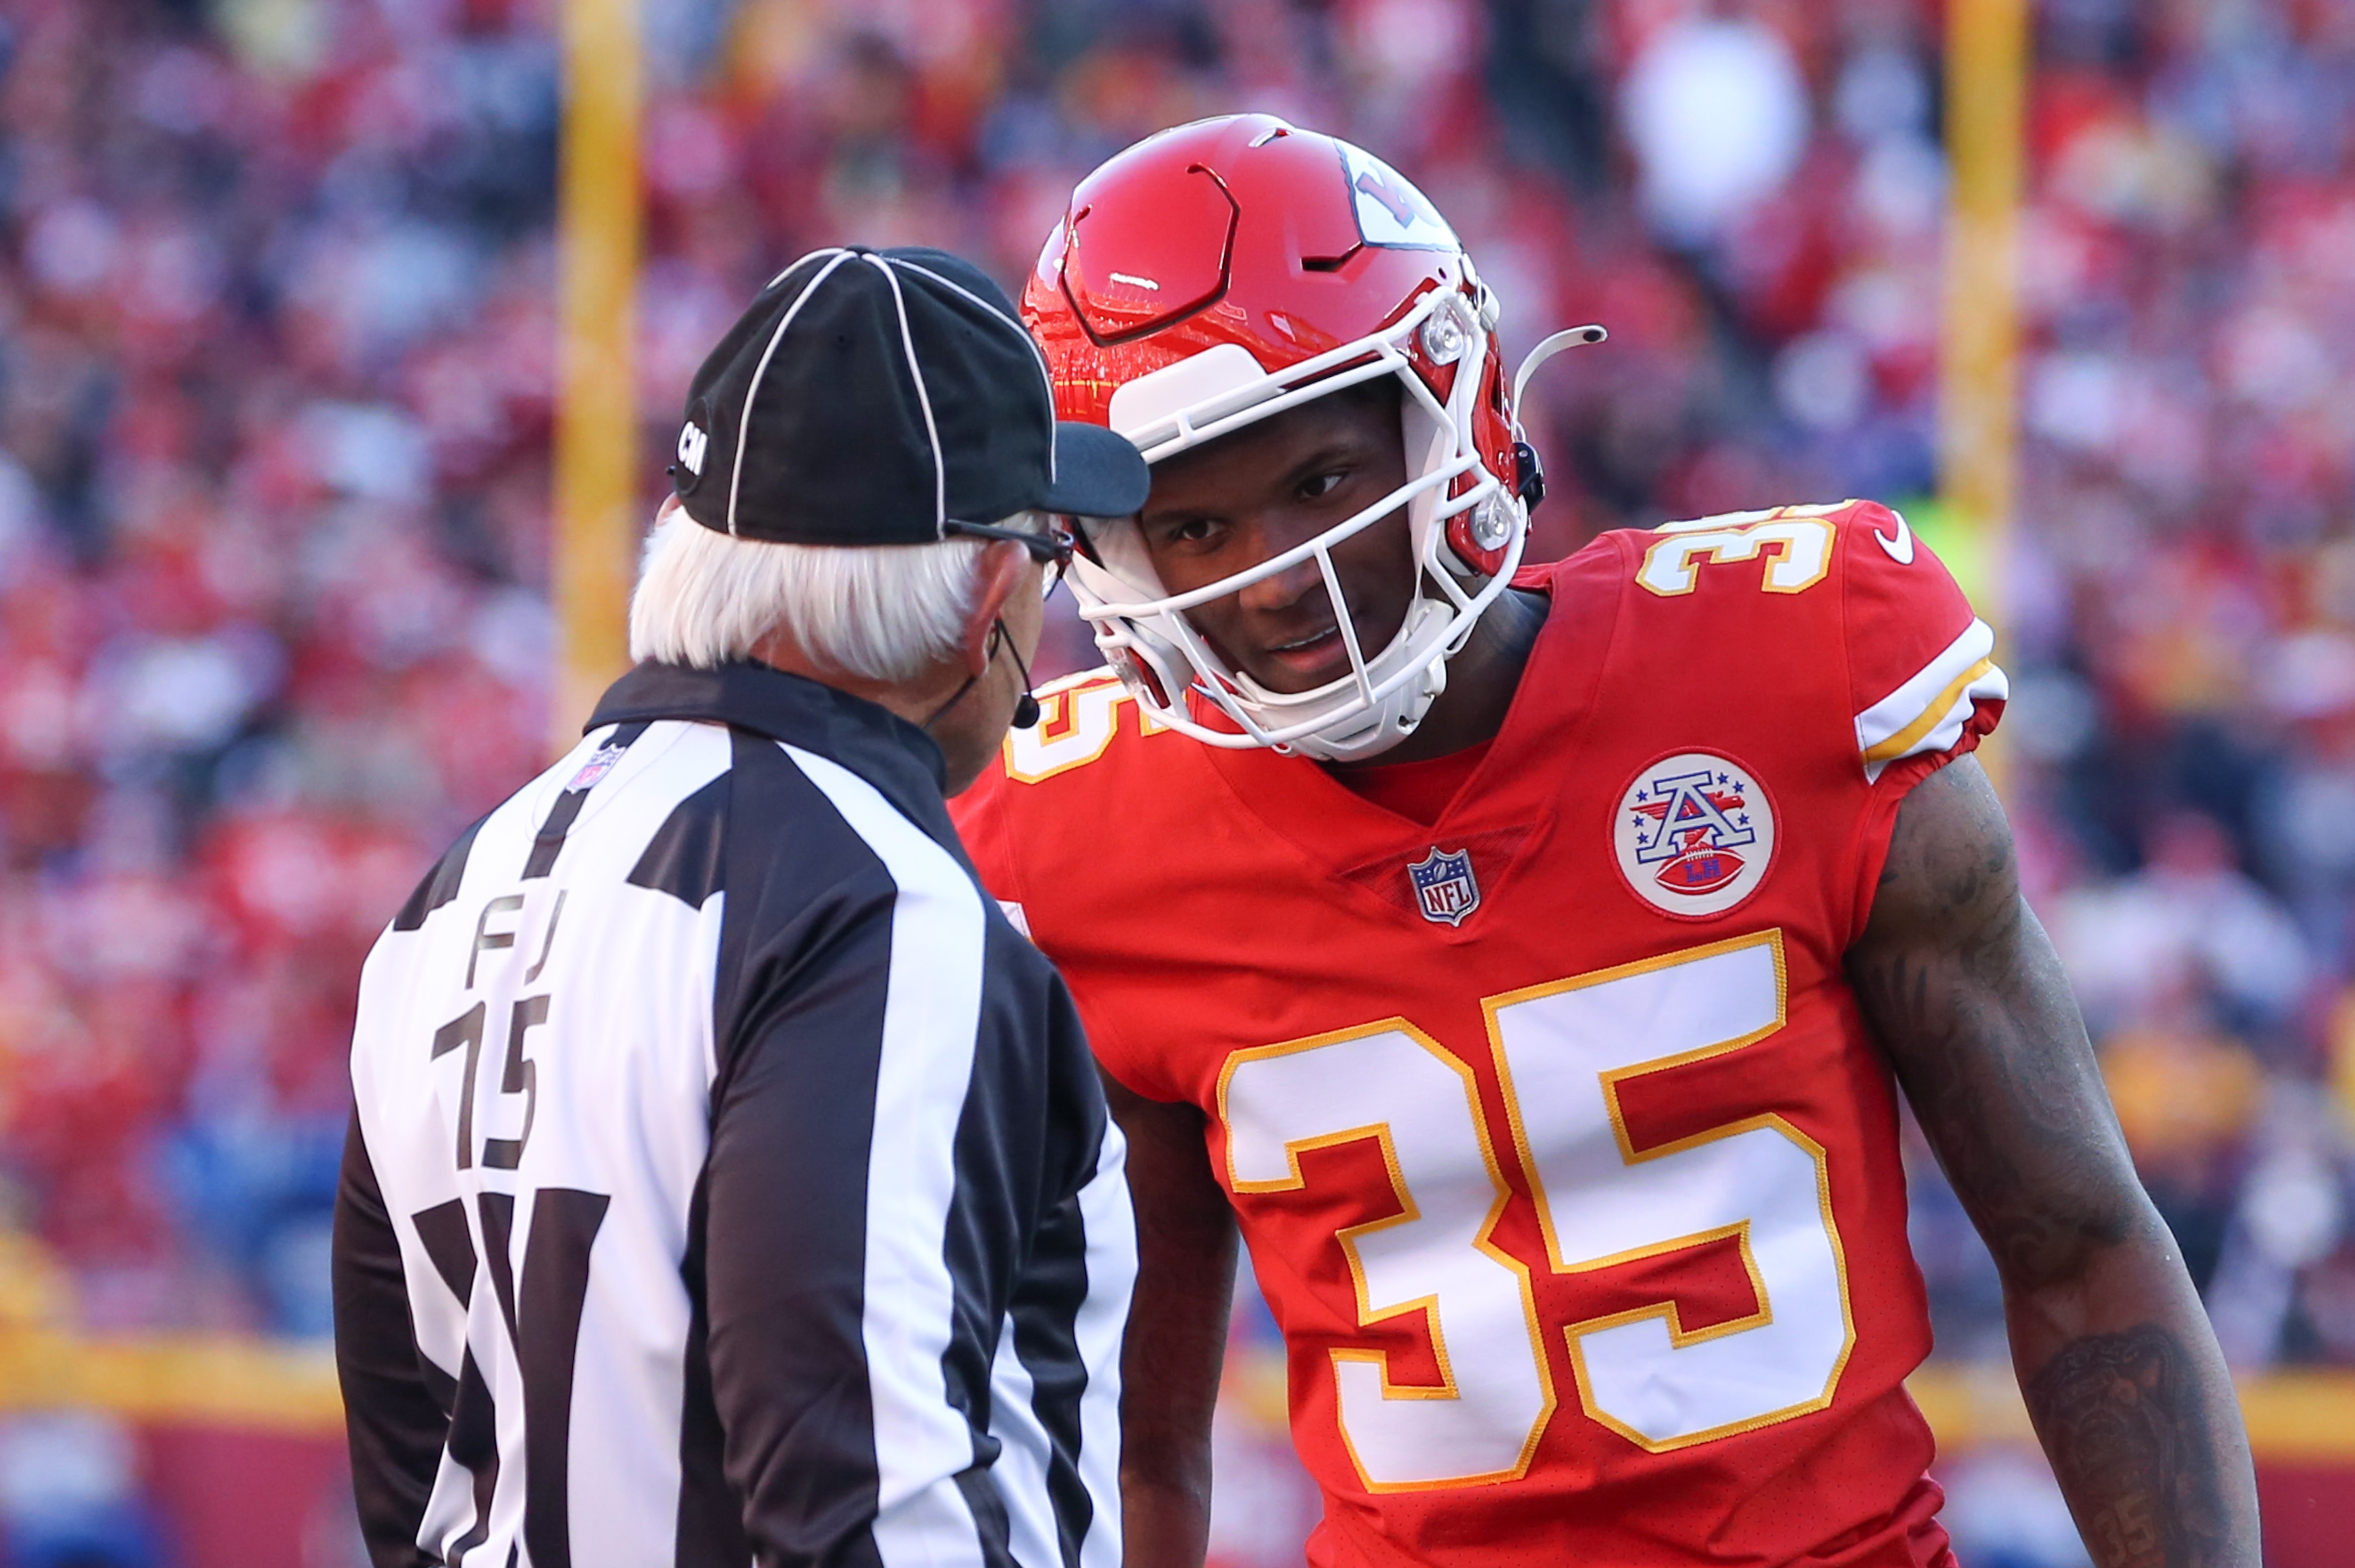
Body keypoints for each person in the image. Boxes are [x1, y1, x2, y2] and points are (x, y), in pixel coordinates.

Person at [953, 117, 2260, 1568]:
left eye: (1320, 481)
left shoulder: (1790, 676)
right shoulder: (1078, 837)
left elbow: (2080, 1248)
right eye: (1198, 529)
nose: (1272, 577)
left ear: (1449, 408)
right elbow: (1139, 1438)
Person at [334, 246, 1149, 1568]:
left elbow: (409, 1489)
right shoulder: (882, 912)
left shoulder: (454, 890)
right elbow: (871, 1507)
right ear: (988, 596)